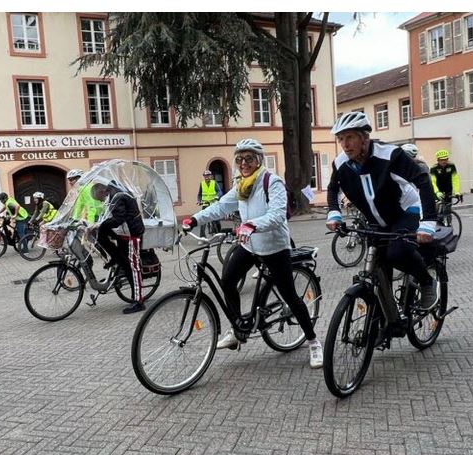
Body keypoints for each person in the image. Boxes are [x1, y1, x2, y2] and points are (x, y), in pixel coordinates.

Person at [182, 138, 324, 368]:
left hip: (274, 246)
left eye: (249, 158)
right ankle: (239, 329)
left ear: (258, 160)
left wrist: (252, 224)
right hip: (249, 245)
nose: (243, 163)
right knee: (228, 280)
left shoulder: (271, 181)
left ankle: (313, 341)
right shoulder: (241, 184)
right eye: (239, 159)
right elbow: (222, 206)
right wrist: (196, 218)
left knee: (290, 296)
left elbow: (278, 215)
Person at [326, 111, 439, 310]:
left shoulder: (389, 155)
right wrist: (334, 212)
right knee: (378, 270)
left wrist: (428, 221)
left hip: (405, 209)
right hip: (375, 219)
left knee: (396, 253)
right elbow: (333, 187)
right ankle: (384, 325)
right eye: (341, 139)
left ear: (364, 137)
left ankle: (426, 282)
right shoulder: (341, 163)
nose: (345, 144)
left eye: (350, 137)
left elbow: (422, 180)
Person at [91, 181, 146, 314]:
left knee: (133, 267)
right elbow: (110, 216)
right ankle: (116, 259)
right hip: (124, 233)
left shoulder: (118, 196)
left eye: (100, 198)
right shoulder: (113, 194)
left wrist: (101, 225)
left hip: (132, 233)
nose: (102, 200)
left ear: (102, 191)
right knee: (125, 264)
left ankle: (139, 301)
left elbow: (118, 219)